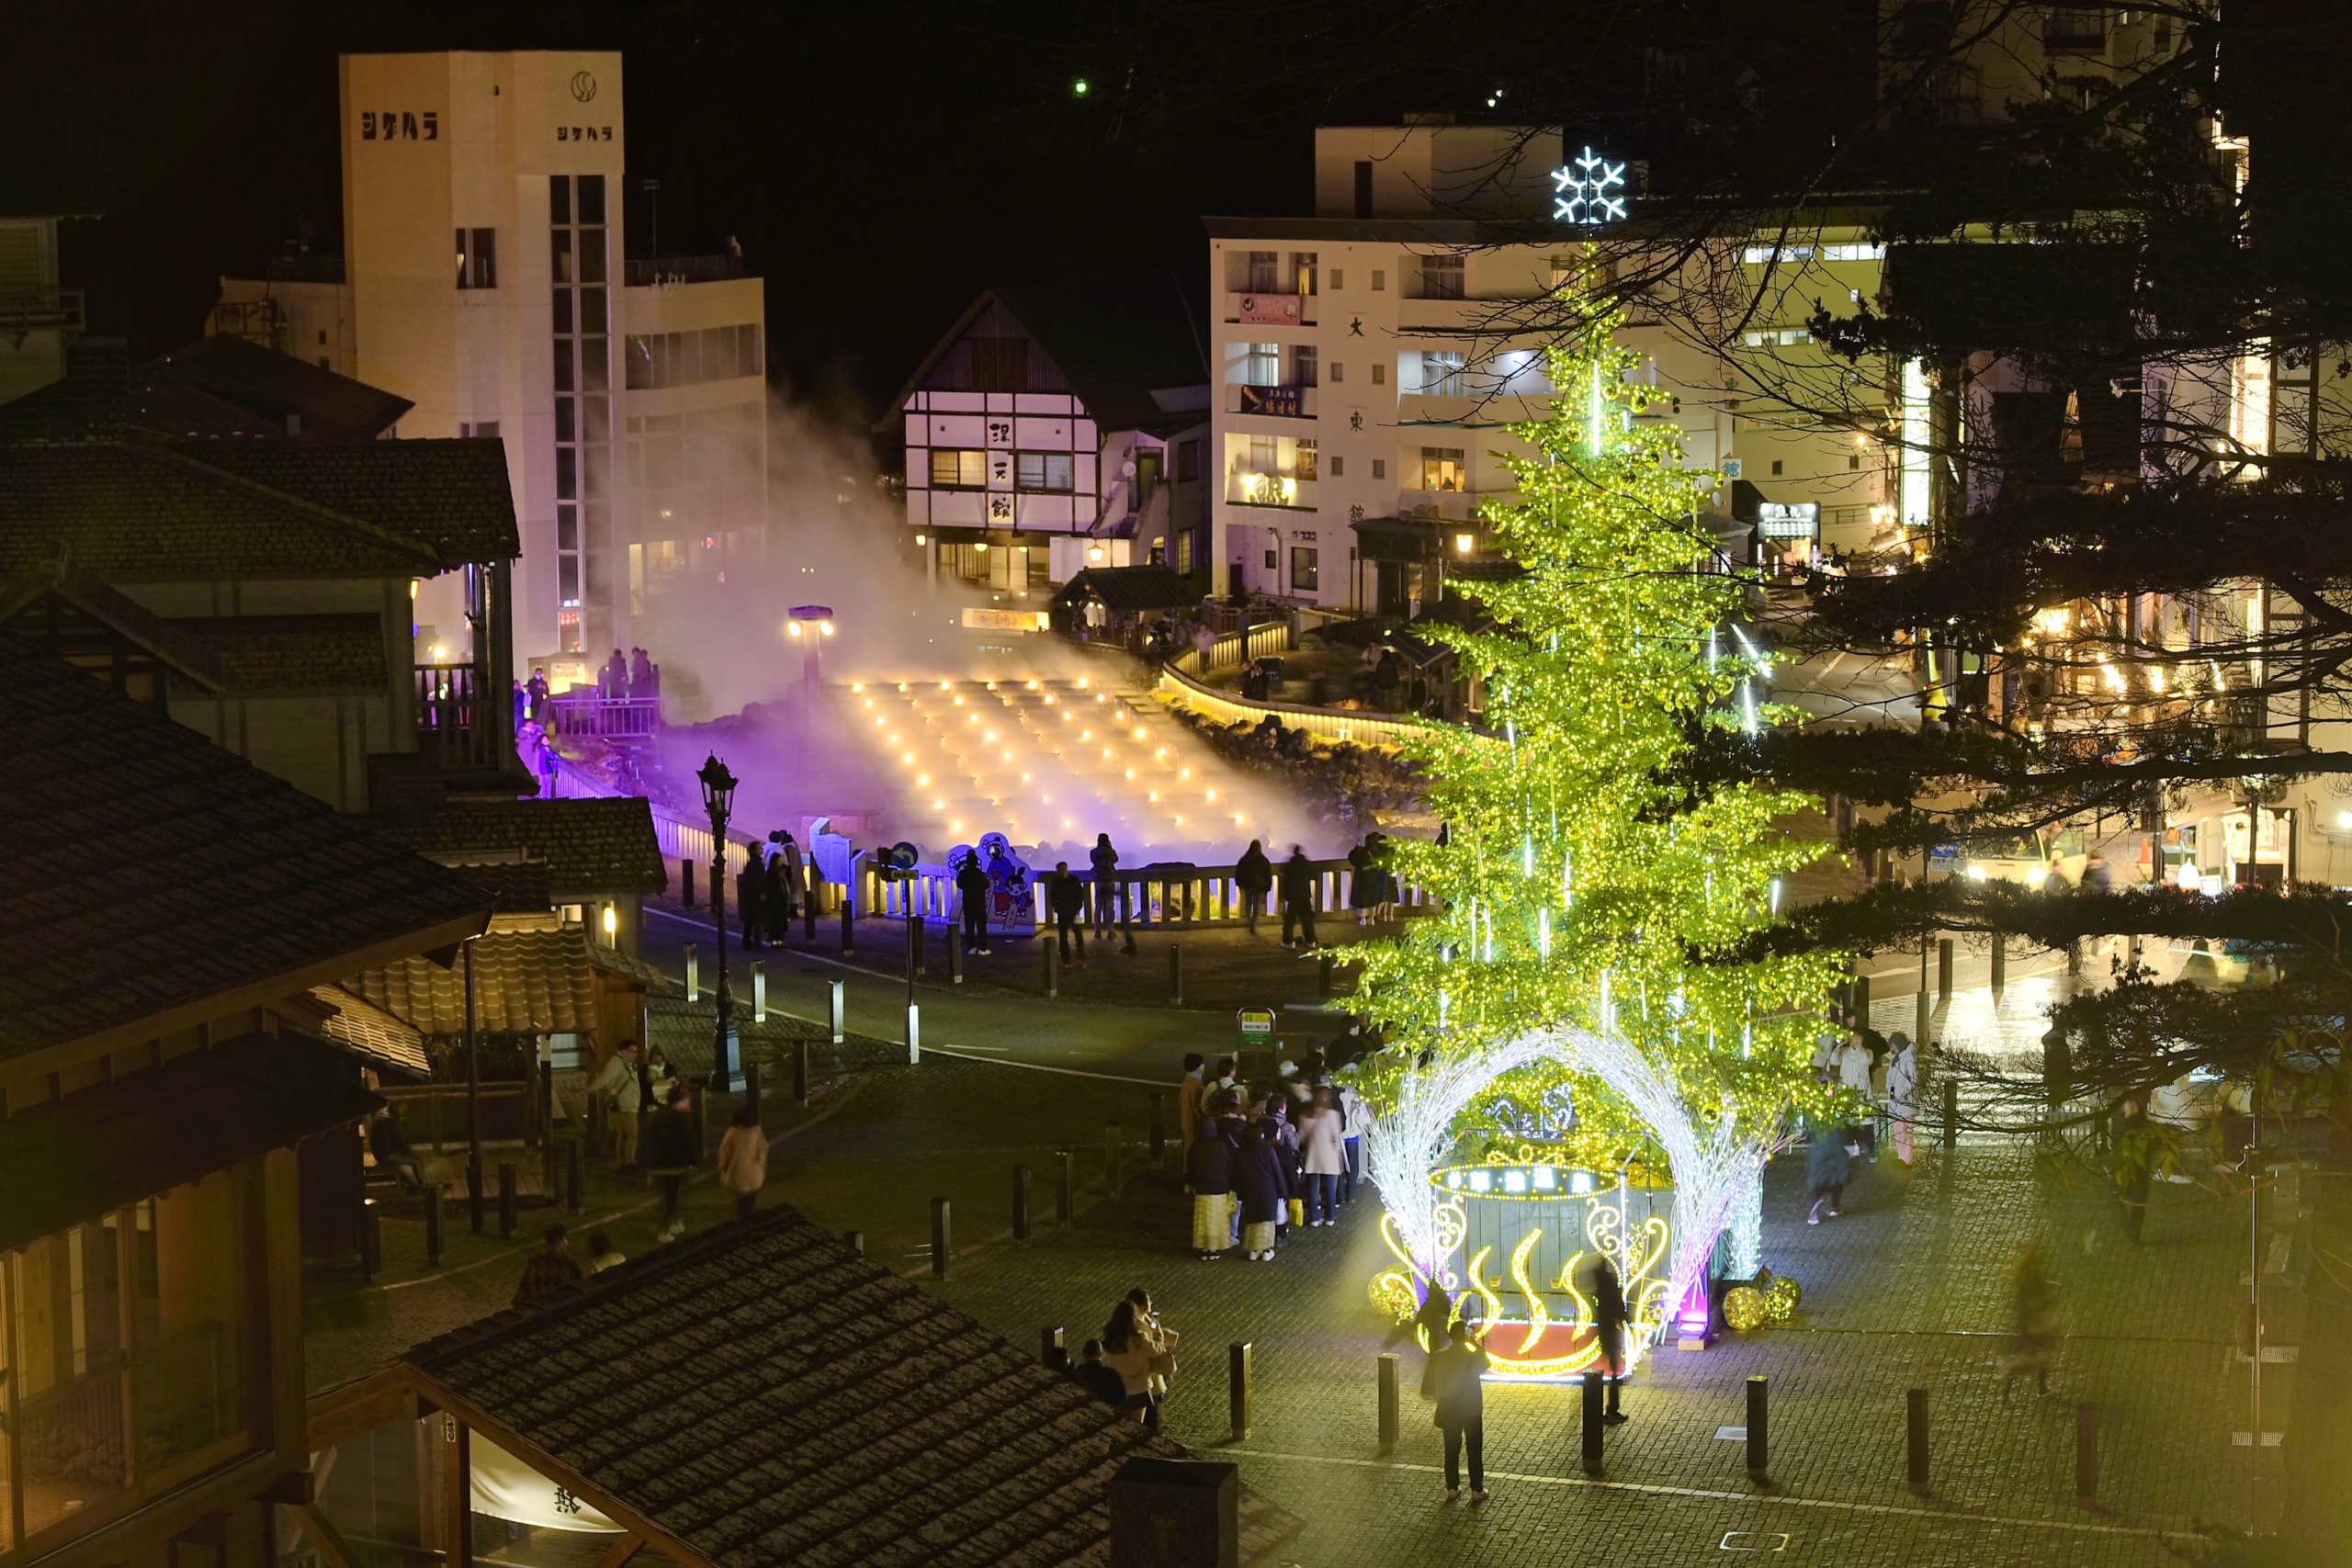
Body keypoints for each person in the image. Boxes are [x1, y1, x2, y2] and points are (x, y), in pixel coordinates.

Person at [1425, 1319, 1491, 1502]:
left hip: (1450, 1407)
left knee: (1451, 1449)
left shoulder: (1442, 1355)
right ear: (1465, 1335)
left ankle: (1452, 1487)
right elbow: (1486, 1363)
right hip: (1470, 1407)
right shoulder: (1472, 1354)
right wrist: (1472, 1342)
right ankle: (1477, 1489)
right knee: (1474, 1449)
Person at [1100, 1300, 1176, 1426]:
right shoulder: (1137, 1338)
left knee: (1120, 1424)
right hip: (1139, 1387)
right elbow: (1155, 1351)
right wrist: (1157, 1335)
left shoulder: (1110, 1337)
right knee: (1136, 1425)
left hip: (1119, 1386)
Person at [2001, 1243, 2058, 1401]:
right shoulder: (2033, 1277)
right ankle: (2040, 1387)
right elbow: (2043, 1298)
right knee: (2037, 1358)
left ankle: (2009, 1389)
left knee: (2029, 1358)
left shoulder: (2022, 1277)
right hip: (2036, 1325)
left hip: (2026, 1325)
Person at [642, 1084, 698, 1242]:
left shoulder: (657, 1115)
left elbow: (648, 1141)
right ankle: (664, 1230)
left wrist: (647, 1163)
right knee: (672, 1199)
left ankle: (673, 1223)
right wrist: (694, 1161)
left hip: (658, 1165)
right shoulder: (680, 1118)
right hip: (675, 1166)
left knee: (668, 1197)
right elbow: (688, 1141)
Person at [1235, 1118, 1293, 1261]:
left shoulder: (1241, 1152)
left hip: (1250, 1190)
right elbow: (1276, 1171)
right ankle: (1266, 1249)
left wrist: (1240, 1193)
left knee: (1253, 1220)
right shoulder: (1267, 1149)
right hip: (1268, 1190)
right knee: (1267, 1220)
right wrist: (1283, 1192)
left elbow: (1237, 1174)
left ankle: (1253, 1249)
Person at [1125, 1287, 1180, 1427]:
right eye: (1148, 1300)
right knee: (1149, 1420)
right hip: (1145, 1378)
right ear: (1141, 1305)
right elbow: (1154, 1347)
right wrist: (1159, 1333)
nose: (1151, 1302)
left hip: (1148, 1378)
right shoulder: (1137, 1325)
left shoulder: (1143, 1318)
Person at [590, 1041, 644, 1169]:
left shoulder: (623, 1063)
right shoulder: (617, 1064)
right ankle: (629, 1162)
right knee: (632, 1132)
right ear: (624, 1051)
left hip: (627, 1104)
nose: (635, 1054)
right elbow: (606, 1080)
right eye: (632, 1051)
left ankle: (621, 1162)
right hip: (624, 1105)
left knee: (623, 1134)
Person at [1298, 1087, 1346, 1226]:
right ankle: (1330, 1217)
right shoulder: (1332, 1115)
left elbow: (1302, 1137)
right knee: (1330, 1188)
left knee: (1312, 1188)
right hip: (1329, 1156)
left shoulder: (1306, 1114)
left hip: (1313, 1155)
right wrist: (1337, 1151)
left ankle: (1314, 1218)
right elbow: (1335, 1137)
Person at [1592, 1258, 1630, 1424]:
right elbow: (1618, 1307)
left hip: (1605, 1332)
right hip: (1610, 1332)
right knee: (1614, 1372)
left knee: (1614, 1370)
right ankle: (1611, 1410)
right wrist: (1626, 1321)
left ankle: (1610, 1409)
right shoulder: (1609, 1288)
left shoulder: (1601, 1288)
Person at [717, 1100, 767, 1220]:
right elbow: (762, 1154)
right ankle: (750, 1218)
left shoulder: (732, 1133)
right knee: (751, 1201)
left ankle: (741, 1219)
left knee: (740, 1203)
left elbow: (723, 1153)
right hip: (753, 1177)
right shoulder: (756, 1133)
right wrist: (762, 1168)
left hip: (736, 1176)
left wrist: (723, 1169)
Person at [513, 1224, 583, 1307]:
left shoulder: (536, 1262)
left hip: (540, 1310)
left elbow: (523, 1292)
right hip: (561, 1309)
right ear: (562, 1242)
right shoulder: (569, 1263)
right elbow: (580, 1288)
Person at [1838, 1034, 1877, 1156]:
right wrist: (1840, 1045)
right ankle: (1850, 1150)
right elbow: (1834, 1060)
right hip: (1847, 1090)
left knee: (1865, 1121)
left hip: (1861, 1091)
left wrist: (1860, 1047)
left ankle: (1871, 1150)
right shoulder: (1844, 1052)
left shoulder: (1868, 1052)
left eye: (1856, 1038)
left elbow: (1867, 1061)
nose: (1853, 1040)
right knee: (1848, 1121)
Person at [1807, 1119, 1851, 1224]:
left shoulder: (1815, 1117)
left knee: (1818, 1180)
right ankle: (1835, 1206)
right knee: (1837, 1178)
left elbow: (1808, 1134)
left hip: (1820, 1151)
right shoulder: (1837, 1115)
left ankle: (1815, 1209)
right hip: (1836, 1149)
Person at [368, 1107, 424, 1188]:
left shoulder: (383, 1114)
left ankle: (411, 1183)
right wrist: (410, 1154)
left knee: (408, 1161)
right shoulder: (392, 1121)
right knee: (417, 1162)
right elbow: (400, 1141)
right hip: (387, 1155)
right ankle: (423, 1187)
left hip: (380, 1152)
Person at [1885, 1033, 1920, 1165]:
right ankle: (1902, 1156)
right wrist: (1891, 1091)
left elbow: (1913, 1079)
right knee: (1899, 1130)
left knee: (1906, 1131)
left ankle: (1907, 1159)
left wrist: (1901, 1093)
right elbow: (1890, 1078)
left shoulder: (1909, 1058)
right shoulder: (1895, 1059)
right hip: (1896, 1102)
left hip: (1906, 1102)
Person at [1069, 1339, 1131, 1409]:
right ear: (1101, 1354)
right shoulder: (1112, 1373)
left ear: (1084, 1354)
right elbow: (1123, 1395)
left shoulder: (1079, 1372)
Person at [1279, 845, 1318, 950]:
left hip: (1293, 896)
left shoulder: (1290, 865)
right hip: (1305, 894)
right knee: (1307, 919)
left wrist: (1285, 895)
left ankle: (1288, 941)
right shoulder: (1307, 864)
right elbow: (1315, 875)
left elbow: (1286, 881)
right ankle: (1311, 940)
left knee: (1290, 920)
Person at [1048, 860, 1089, 963]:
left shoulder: (1058, 881)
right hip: (1068, 912)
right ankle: (1070, 959)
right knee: (1065, 936)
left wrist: (1077, 907)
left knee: (1077, 935)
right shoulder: (1071, 880)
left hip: (1072, 911)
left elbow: (1080, 895)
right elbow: (1080, 894)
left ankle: (1078, 957)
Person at [1338, 1077, 1371, 1201]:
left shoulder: (1338, 1098)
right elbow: (1362, 1119)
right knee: (1353, 1166)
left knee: (1340, 1167)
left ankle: (1340, 1194)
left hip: (1340, 1136)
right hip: (1353, 1137)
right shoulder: (1357, 1100)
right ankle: (1350, 1195)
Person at [956, 850, 993, 955]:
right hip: (979, 903)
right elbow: (987, 885)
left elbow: (959, 885)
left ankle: (971, 947)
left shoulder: (963, 874)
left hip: (968, 902)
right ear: (976, 862)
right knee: (981, 927)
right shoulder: (980, 874)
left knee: (969, 926)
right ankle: (982, 949)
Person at [1236, 840, 1273, 935]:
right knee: (1256, 906)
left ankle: (1250, 923)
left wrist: (1239, 884)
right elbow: (1268, 875)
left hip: (1248, 886)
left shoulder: (1244, 859)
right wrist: (1267, 887)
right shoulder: (1264, 860)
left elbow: (1238, 873)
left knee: (1248, 905)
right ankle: (1253, 924)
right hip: (1259, 887)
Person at [1090, 833, 1122, 938]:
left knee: (1098, 907)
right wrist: (1109, 847)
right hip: (1109, 880)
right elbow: (1115, 859)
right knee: (1109, 906)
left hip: (1099, 880)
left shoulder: (1094, 852)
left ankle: (1097, 931)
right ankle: (1110, 931)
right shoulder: (1109, 852)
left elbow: (1093, 860)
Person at [1176, 1054, 1206, 1165]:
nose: (1204, 1066)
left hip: (1187, 1124)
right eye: (1201, 1064)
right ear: (1196, 1066)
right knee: (1194, 1152)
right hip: (1194, 1125)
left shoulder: (1187, 1082)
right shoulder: (1195, 1085)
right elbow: (1199, 1108)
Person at [763, 840, 795, 946]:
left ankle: (780, 940)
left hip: (782, 899)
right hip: (775, 900)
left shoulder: (782, 871)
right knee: (775, 920)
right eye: (779, 860)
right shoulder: (772, 873)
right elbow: (771, 887)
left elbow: (789, 880)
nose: (781, 862)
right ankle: (774, 940)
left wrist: (788, 868)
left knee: (781, 920)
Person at [737, 844, 767, 950]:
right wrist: (761, 893)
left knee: (749, 920)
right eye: (759, 848)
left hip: (749, 895)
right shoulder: (756, 864)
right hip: (755, 896)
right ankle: (757, 942)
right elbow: (758, 880)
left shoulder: (752, 863)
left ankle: (747, 942)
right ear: (755, 851)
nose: (761, 849)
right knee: (758, 920)